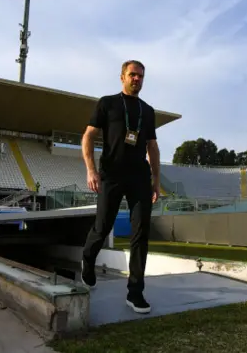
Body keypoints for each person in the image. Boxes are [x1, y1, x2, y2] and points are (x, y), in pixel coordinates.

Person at [80, 59, 160, 314]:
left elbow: (152, 147)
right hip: (111, 175)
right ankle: (88, 259)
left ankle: (135, 292)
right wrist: (91, 170)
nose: (137, 79)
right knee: (103, 226)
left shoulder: (147, 111)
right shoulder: (107, 103)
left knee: (141, 233)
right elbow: (88, 136)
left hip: (139, 177)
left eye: (141, 76)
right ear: (122, 77)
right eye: (133, 75)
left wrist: (155, 180)